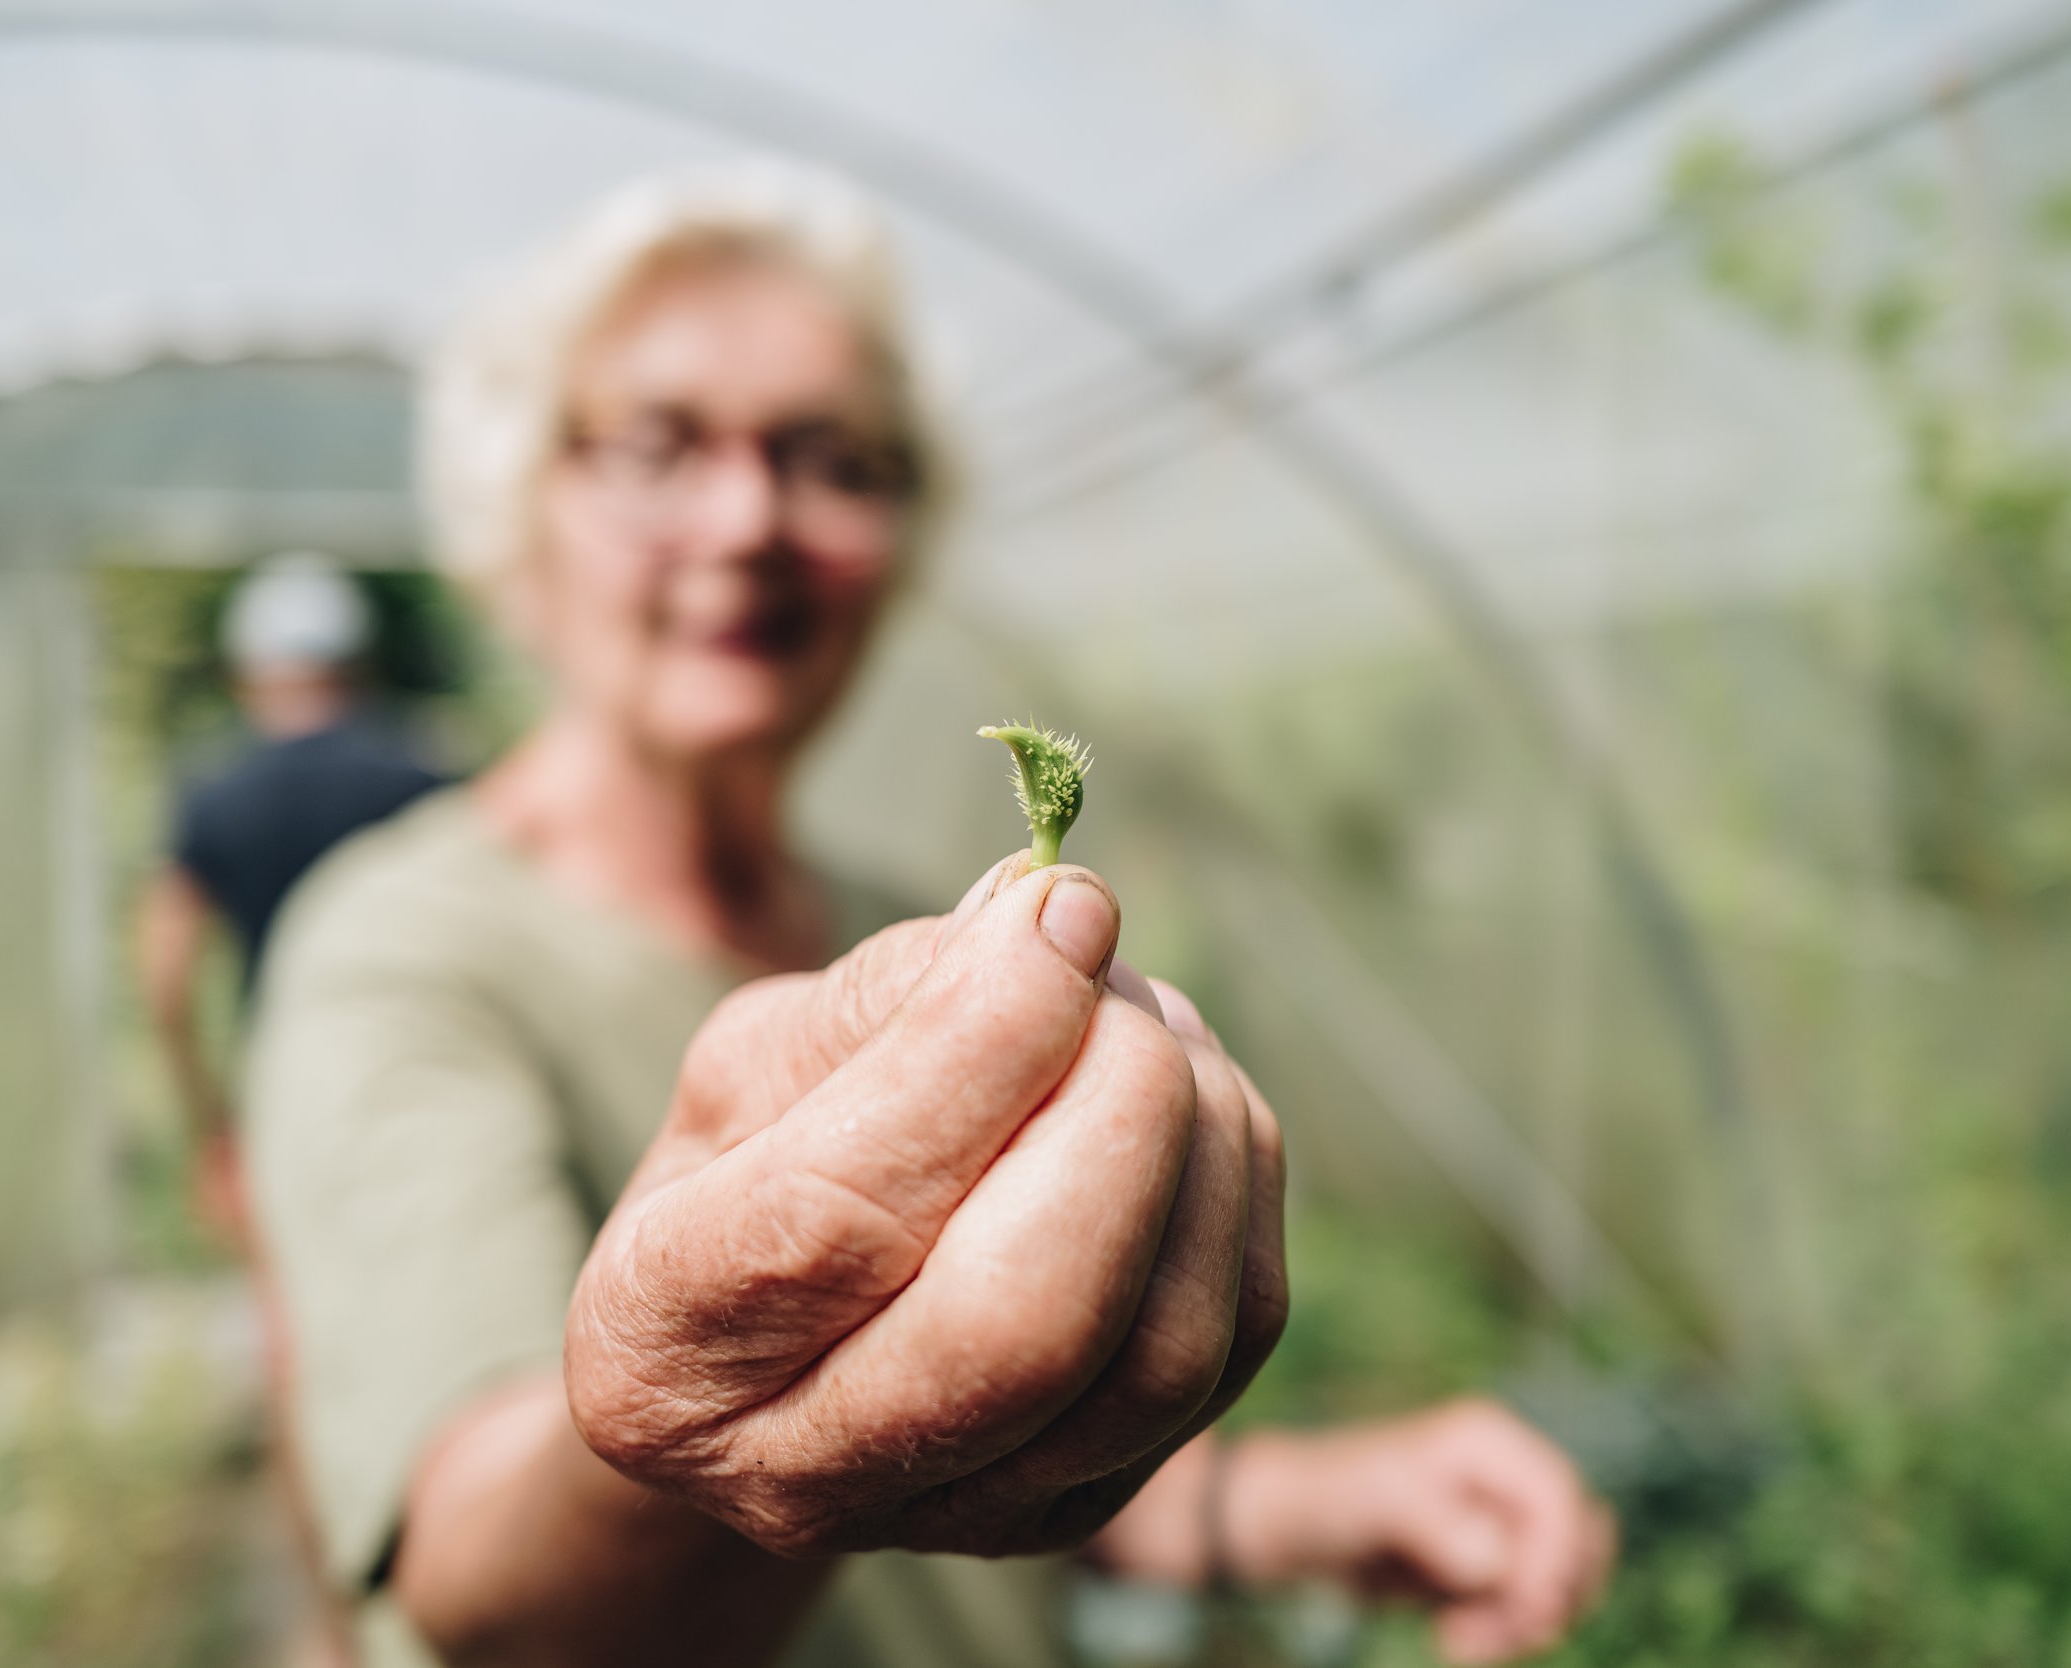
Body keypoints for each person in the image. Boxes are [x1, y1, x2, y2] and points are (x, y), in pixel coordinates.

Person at [244, 162, 1616, 1668]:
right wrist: (688, 1410)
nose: (750, 514)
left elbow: (971, 1461)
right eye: (657, 445)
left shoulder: (916, 930)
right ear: (525, 506)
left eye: (833, 458)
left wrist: (1305, 1497)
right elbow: (474, 1579)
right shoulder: (401, 950)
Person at [137, 554, 445, 1240]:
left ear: (247, 674)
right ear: (357, 665)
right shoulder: (421, 782)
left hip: (279, 1080)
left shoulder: (212, 796)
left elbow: (165, 974)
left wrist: (209, 1123)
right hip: (411, 1073)